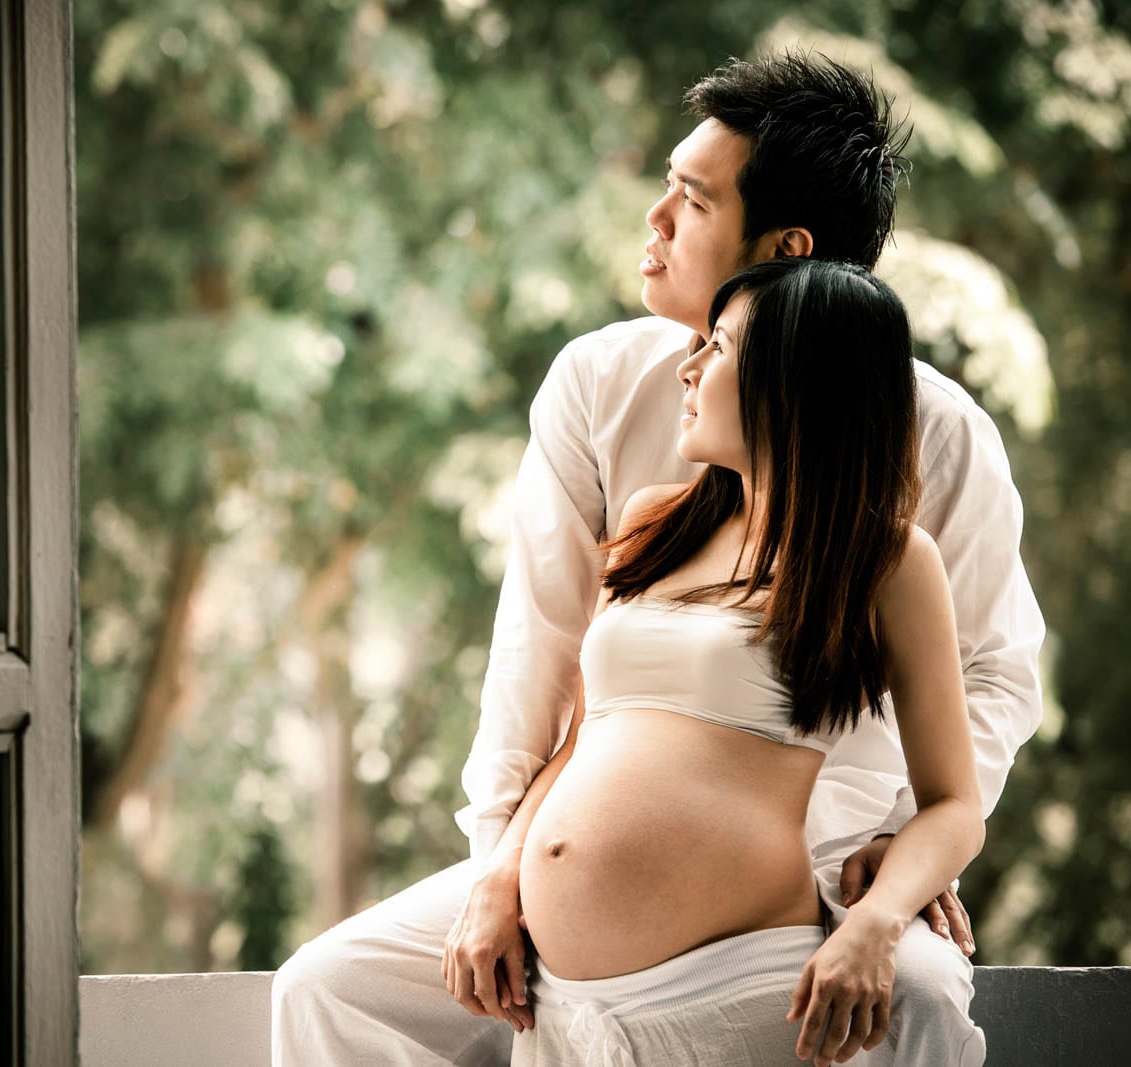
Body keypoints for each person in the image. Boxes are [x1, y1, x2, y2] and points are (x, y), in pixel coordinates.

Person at [272, 52, 1043, 1067]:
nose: (652, 222)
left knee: (924, 993)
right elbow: (542, 661)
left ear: (783, 247)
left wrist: (894, 859)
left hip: (812, 861)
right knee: (327, 991)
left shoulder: (934, 437)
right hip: (566, 848)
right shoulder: (599, 387)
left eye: (689, 199)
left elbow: (989, 678)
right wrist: (500, 869)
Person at [500, 255, 982, 1065]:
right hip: (564, 1009)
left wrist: (874, 920)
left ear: (795, 380)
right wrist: (500, 873)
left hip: (746, 994)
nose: (687, 369)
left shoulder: (890, 560)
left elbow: (953, 804)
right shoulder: (659, 524)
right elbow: (584, 742)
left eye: (716, 348)